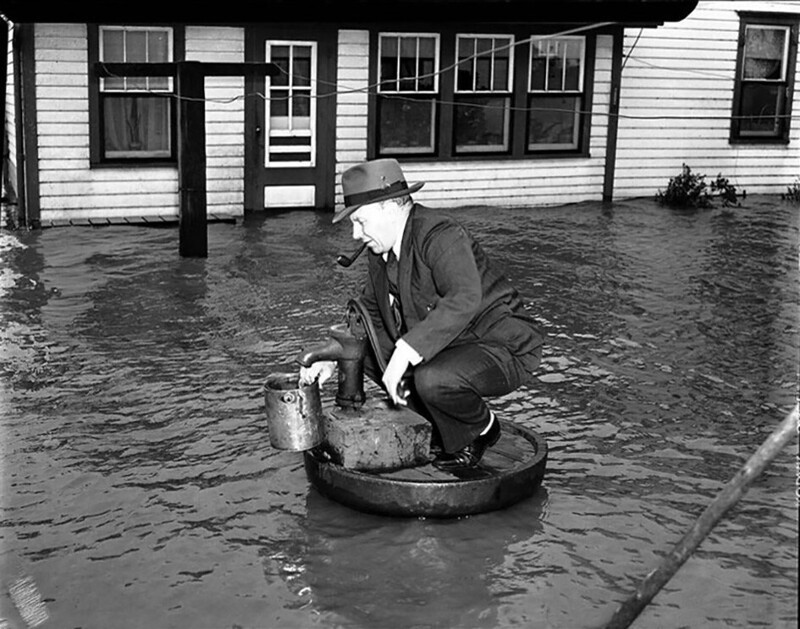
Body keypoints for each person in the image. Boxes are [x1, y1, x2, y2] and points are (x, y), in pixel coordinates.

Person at [300, 158, 543, 470]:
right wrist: (333, 358)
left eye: (360, 221)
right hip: (450, 345)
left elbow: (464, 296)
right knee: (369, 355)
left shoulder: (439, 233)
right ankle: (441, 425)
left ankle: (483, 428)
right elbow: (369, 315)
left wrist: (405, 353)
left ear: (388, 206)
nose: (355, 235)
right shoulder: (382, 251)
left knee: (431, 377)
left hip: (501, 347)